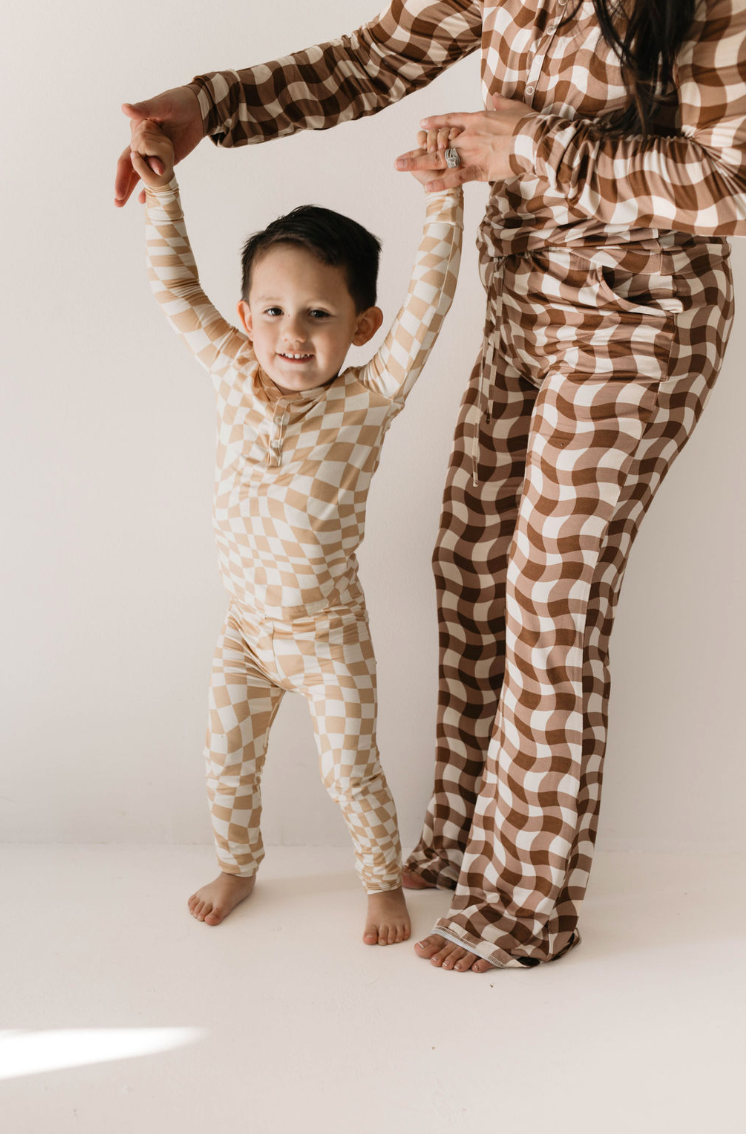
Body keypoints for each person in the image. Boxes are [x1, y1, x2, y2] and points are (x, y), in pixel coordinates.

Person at [116, 0, 746, 972]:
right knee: (467, 562)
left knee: (548, 602)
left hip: (636, 326)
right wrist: (212, 106)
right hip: (523, 306)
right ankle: (462, 839)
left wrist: (532, 147)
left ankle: (524, 904)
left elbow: (726, 179)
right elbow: (379, 55)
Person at [129, 117, 463, 945]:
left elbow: (429, 310)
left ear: (361, 326)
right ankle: (239, 864)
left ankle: (382, 880)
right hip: (245, 630)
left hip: (325, 634)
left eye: (318, 313)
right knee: (225, 760)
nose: (291, 334)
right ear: (245, 315)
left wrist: (446, 205)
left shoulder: (368, 398)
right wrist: (162, 192)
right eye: (273, 310)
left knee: (349, 769)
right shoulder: (234, 368)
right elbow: (176, 290)